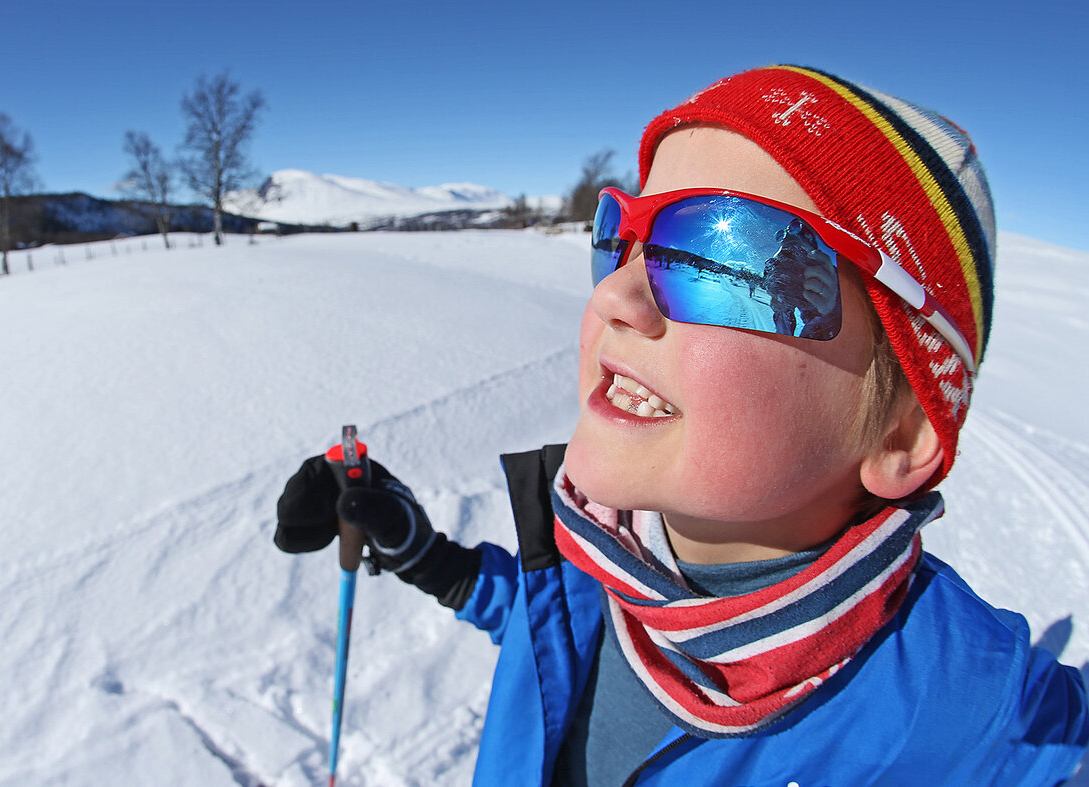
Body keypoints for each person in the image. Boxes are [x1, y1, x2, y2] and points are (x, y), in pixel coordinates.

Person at [275, 65, 1089, 785]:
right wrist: (432, 559)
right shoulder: (606, 548)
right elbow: (565, 629)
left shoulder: (965, 710)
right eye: (621, 238)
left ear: (902, 432)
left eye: (724, 256)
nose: (614, 296)